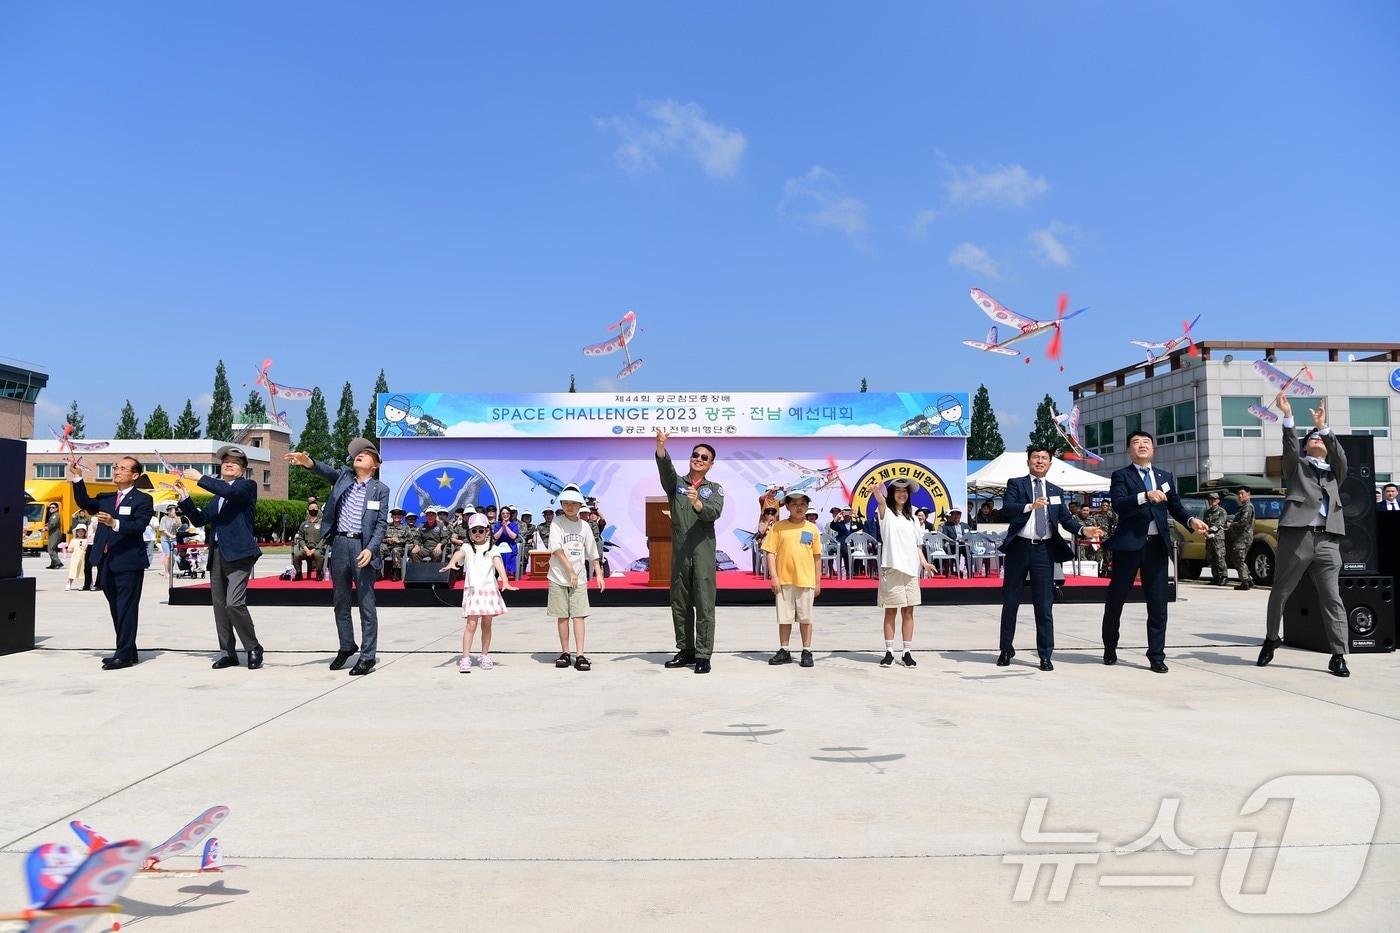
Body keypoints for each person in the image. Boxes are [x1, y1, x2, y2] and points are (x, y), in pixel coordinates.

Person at [1258, 395, 1353, 677]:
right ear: (1305, 445)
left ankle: (1338, 655)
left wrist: (1323, 427)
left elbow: (1341, 456)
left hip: (1328, 539)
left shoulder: (1335, 472)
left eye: (1320, 439)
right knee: (1281, 591)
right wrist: (1288, 416)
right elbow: (1289, 449)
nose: (1317, 440)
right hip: (1297, 537)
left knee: (1332, 597)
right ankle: (1272, 637)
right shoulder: (1296, 466)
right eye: (1312, 438)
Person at [1101, 431, 1208, 673]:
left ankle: (1156, 655)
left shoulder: (1165, 476)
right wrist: (1144, 495)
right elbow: (1119, 503)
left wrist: (1192, 521)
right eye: (1136, 443)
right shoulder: (1122, 476)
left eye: (1146, 443)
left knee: (1159, 604)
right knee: (1116, 599)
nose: (1141, 446)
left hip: (1156, 547)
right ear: (1129, 450)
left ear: (1153, 449)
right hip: (1128, 547)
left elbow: (1177, 508)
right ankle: (1110, 646)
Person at [286, 438, 390, 676]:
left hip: (362, 547)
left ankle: (367, 656)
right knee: (340, 602)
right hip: (340, 545)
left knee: (366, 604)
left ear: (375, 464)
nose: (359, 456)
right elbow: (326, 471)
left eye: (366, 454)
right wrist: (308, 462)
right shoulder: (344, 477)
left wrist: (371, 548)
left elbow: (381, 525)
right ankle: (346, 645)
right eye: (357, 454)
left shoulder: (380, 489)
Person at [998, 446, 1103, 670]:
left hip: (1044, 552)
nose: (1039, 461)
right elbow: (1007, 507)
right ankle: (1006, 650)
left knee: (1044, 605)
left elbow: (1066, 519)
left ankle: (1045, 654)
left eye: (1044, 458)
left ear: (1050, 464)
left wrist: (1084, 531)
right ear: (1028, 462)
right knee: (1011, 602)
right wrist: (1030, 505)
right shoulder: (1016, 484)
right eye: (1035, 457)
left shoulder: (1055, 490)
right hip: (1019, 548)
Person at [176, 446, 265, 669]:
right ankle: (227, 652)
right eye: (225, 461)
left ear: (242, 470)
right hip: (217, 554)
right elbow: (199, 519)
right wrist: (185, 499)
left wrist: (200, 478)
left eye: (234, 462)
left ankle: (253, 647)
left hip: (239, 554)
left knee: (234, 603)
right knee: (220, 606)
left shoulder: (247, 487)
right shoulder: (217, 498)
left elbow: (233, 493)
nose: (228, 463)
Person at [70, 456, 154, 669]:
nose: (117, 471)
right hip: (105, 560)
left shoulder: (142, 499)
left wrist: (115, 522)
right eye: (116, 467)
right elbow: (85, 503)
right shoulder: (106, 498)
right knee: (116, 607)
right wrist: (78, 478)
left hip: (129, 562)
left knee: (126, 607)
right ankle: (128, 649)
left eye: (123, 468)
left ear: (134, 475)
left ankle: (123, 654)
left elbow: (138, 526)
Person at [655, 429, 725, 674]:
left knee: (705, 602)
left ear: (711, 464)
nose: (699, 458)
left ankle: (703, 654)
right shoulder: (677, 484)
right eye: (696, 454)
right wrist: (661, 447)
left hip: (703, 550)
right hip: (680, 550)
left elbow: (713, 513)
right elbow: (666, 470)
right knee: (680, 602)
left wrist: (697, 503)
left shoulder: (714, 489)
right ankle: (686, 650)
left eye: (704, 457)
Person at [871, 478, 938, 668]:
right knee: (891, 611)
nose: (902, 494)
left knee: (908, 612)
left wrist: (924, 563)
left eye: (905, 491)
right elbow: (881, 501)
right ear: (892, 493)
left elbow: (917, 545)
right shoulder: (886, 514)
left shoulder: (914, 519)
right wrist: (877, 491)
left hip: (911, 571)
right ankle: (889, 652)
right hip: (892, 569)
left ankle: (906, 652)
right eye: (898, 490)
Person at [443, 513, 518, 672]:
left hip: (489, 590)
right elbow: (459, 554)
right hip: (473, 591)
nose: (477, 533)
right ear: (469, 533)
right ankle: (465, 658)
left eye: (481, 530)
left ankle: (484, 655)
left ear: (487, 531)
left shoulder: (492, 548)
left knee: (487, 625)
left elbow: (498, 564)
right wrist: (451, 562)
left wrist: (505, 581)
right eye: (474, 530)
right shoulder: (467, 547)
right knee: (471, 625)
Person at [762, 490, 824, 668]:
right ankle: (784, 650)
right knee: (784, 618)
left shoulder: (812, 529)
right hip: (784, 580)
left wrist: (817, 581)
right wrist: (774, 577)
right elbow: (770, 552)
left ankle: (807, 650)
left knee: (806, 618)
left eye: (803, 504)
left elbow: (817, 556)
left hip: (805, 580)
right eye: (795, 504)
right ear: (787, 506)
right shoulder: (778, 527)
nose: (799, 507)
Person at [547, 485, 605, 671]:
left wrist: (598, 572)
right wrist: (570, 571)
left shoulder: (585, 526)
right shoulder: (556, 522)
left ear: (580, 505)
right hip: (558, 577)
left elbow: (592, 551)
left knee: (578, 616)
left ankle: (580, 655)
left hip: (579, 579)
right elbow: (557, 550)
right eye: (566, 503)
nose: (569, 506)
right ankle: (565, 652)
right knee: (562, 617)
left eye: (573, 503)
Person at [1227, 488, 1256, 589]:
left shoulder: (1247, 507)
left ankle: (1245, 582)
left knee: (1238, 559)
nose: (1240, 496)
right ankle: (1248, 579)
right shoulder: (1243, 507)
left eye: (1242, 494)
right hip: (1241, 537)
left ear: (1248, 494)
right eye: (1238, 494)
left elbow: (1243, 522)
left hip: (1243, 538)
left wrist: (1231, 525)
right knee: (1240, 558)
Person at [1202, 492, 1230, 586]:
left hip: (1218, 538)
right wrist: (1205, 532)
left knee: (1220, 557)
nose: (1212, 501)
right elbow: (1204, 523)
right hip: (1209, 538)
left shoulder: (1222, 511)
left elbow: (1220, 523)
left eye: (1214, 499)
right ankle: (1216, 577)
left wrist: (1210, 530)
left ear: (1218, 500)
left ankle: (1223, 577)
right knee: (1211, 558)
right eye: (1211, 499)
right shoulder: (1207, 512)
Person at [293, 506, 326, 581]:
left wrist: (314, 549)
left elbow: (324, 538)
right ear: (308, 511)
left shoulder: (322, 524)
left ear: (318, 510)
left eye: (315, 509)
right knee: (297, 555)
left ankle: (318, 572)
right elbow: (300, 538)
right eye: (311, 509)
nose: (313, 510)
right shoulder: (304, 524)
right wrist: (306, 549)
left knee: (318, 555)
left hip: (317, 548)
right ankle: (299, 573)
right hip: (306, 548)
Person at [380, 508, 409, 580]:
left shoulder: (405, 527)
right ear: (391, 516)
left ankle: (396, 572)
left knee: (395, 550)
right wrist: (387, 540)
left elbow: (410, 540)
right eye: (394, 515)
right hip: (387, 546)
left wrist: (399, 541)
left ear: (402, 517)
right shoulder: (386, 526)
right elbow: (379, 538)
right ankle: (378, 572)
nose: (397, 516)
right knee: (379, 548)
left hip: (399, 548)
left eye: (399, 515)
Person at [940, 508, 971, 576]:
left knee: (968, 550)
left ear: (960, 515)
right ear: (951, 516)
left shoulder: (965, 525)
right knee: (956, 549)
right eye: (954, 514)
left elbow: (970, 535)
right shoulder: (947, 526)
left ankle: (968, 570)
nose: (956, 516)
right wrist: (952, 541)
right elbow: (944, 537)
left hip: (964, 544)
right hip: (953, 545)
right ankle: (957, 570)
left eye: (957, 514)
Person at [492, 506, 521, 577]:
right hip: (499, 545)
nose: (505, 515)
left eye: (507, 513)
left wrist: (506, 527)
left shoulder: (514, 524)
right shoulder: (497, 525)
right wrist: (502, 527)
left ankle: (508, 572)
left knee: (509, 554)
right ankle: (499, 573)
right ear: (500, 515)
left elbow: (513, 536)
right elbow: (496, 537)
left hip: (510, 545)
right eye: (503, 513)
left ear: (510, 514)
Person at [65, 524, 91, 591]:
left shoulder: (87, 541)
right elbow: (70, 549)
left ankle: (90, 582)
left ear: (85, 532)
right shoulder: (74, 540)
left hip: (84, 558)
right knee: (73, 570)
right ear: (76, 532)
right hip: (75, 558)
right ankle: (69, 583)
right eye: (79, 531)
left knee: (86, 570)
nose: (80, 533)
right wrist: (68, 550)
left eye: (82, 531)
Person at [45, 503, 64, 569]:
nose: (51, 509)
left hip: (55, 534)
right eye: (50, 507)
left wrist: (46, 528)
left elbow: (53, 524)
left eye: (53, 507)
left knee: (51, 549)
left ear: (57, 508)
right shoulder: (53, 515)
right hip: (53, 534)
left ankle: (58, 563)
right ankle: (53, 564)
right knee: (54, 549)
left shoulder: (55, 515)